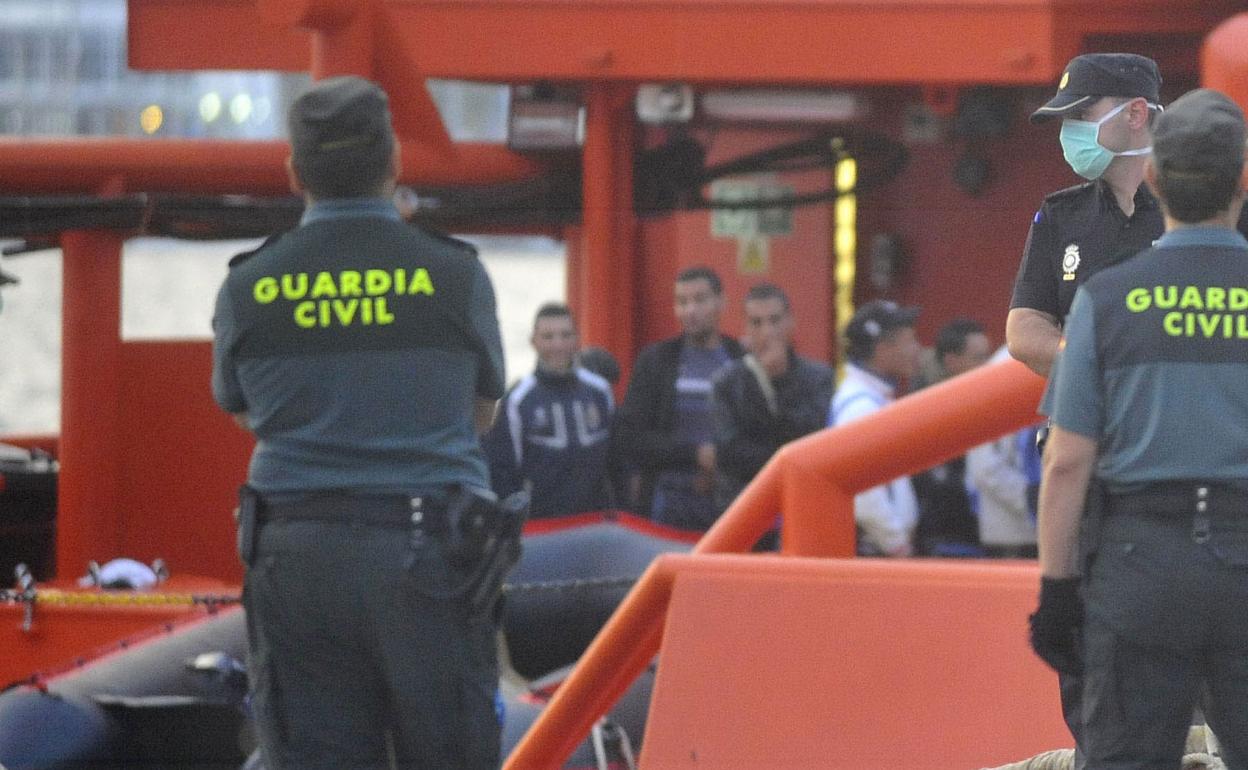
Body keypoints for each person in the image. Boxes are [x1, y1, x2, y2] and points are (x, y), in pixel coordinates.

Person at [211, 77, 507, 770]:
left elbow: (241, 407)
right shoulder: (455, 275)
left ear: (293, 171)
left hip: (297, 553)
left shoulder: (249, 285)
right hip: (432, 552)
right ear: (395, 161)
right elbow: (484, 410)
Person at [1030, 88, 1248, 769]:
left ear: (1153, 179)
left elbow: (1066, 462)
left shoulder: (1106, 301)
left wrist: (1058, 591)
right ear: (1242, 180)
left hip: (1137, 567)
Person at [1007, 53, 1165, 378]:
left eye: (1081, 114)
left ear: (1135, 113)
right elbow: (1023, 327)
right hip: (1089, 420)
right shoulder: (1061, 214)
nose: (1068, 131)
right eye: (1067, 119)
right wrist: (1090, 358)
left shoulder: (1205, 207)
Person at [616, 266, 745, 530]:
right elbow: (631, 438)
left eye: (699, 300)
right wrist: (696, 455)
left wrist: (722, 461)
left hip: (731, 501)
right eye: (682, 302)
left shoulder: (741, 360)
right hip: (667, 502)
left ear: (721, 302)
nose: (690, 311)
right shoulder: (656, 361)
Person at [711, 283, 833, 534]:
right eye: (757, 323)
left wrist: (777, 385)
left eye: (775, 320)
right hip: (744, 510)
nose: (767, 331)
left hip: (802, 507)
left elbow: (811, 436)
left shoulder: (818, 377)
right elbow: (729, 452)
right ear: (746, 328)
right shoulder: (726, 382)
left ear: (790, 322)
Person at [482, 303, 614, 518]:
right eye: (548, 337)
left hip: (594, 525)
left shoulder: (600, 391)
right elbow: (501, 471)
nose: (558, 344)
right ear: (533, 342)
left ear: (577, 339)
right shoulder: (518, 400)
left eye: (565, 335)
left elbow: (615, 460)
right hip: (542, 527)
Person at [829, 300, 922, 556]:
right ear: (882, 349)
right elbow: (865, 495)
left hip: (882, 549)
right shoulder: (860, 406)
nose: (917, 349)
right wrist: (897, 545)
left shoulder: (873, 398)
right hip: (876, 552)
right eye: (910, 340)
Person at [911, 319, 991, 556]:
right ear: (952, 362)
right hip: (944, 540)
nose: (988, 365)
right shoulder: (926, 413)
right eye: (979, 358)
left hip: (975, 535)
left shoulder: (982, 405)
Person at [966, 346, 1040, 558]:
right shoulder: (1001, 372)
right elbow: (985, 466)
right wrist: (1037, 503)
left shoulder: (1056, 357)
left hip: (1049, 530)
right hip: (1010, 536)